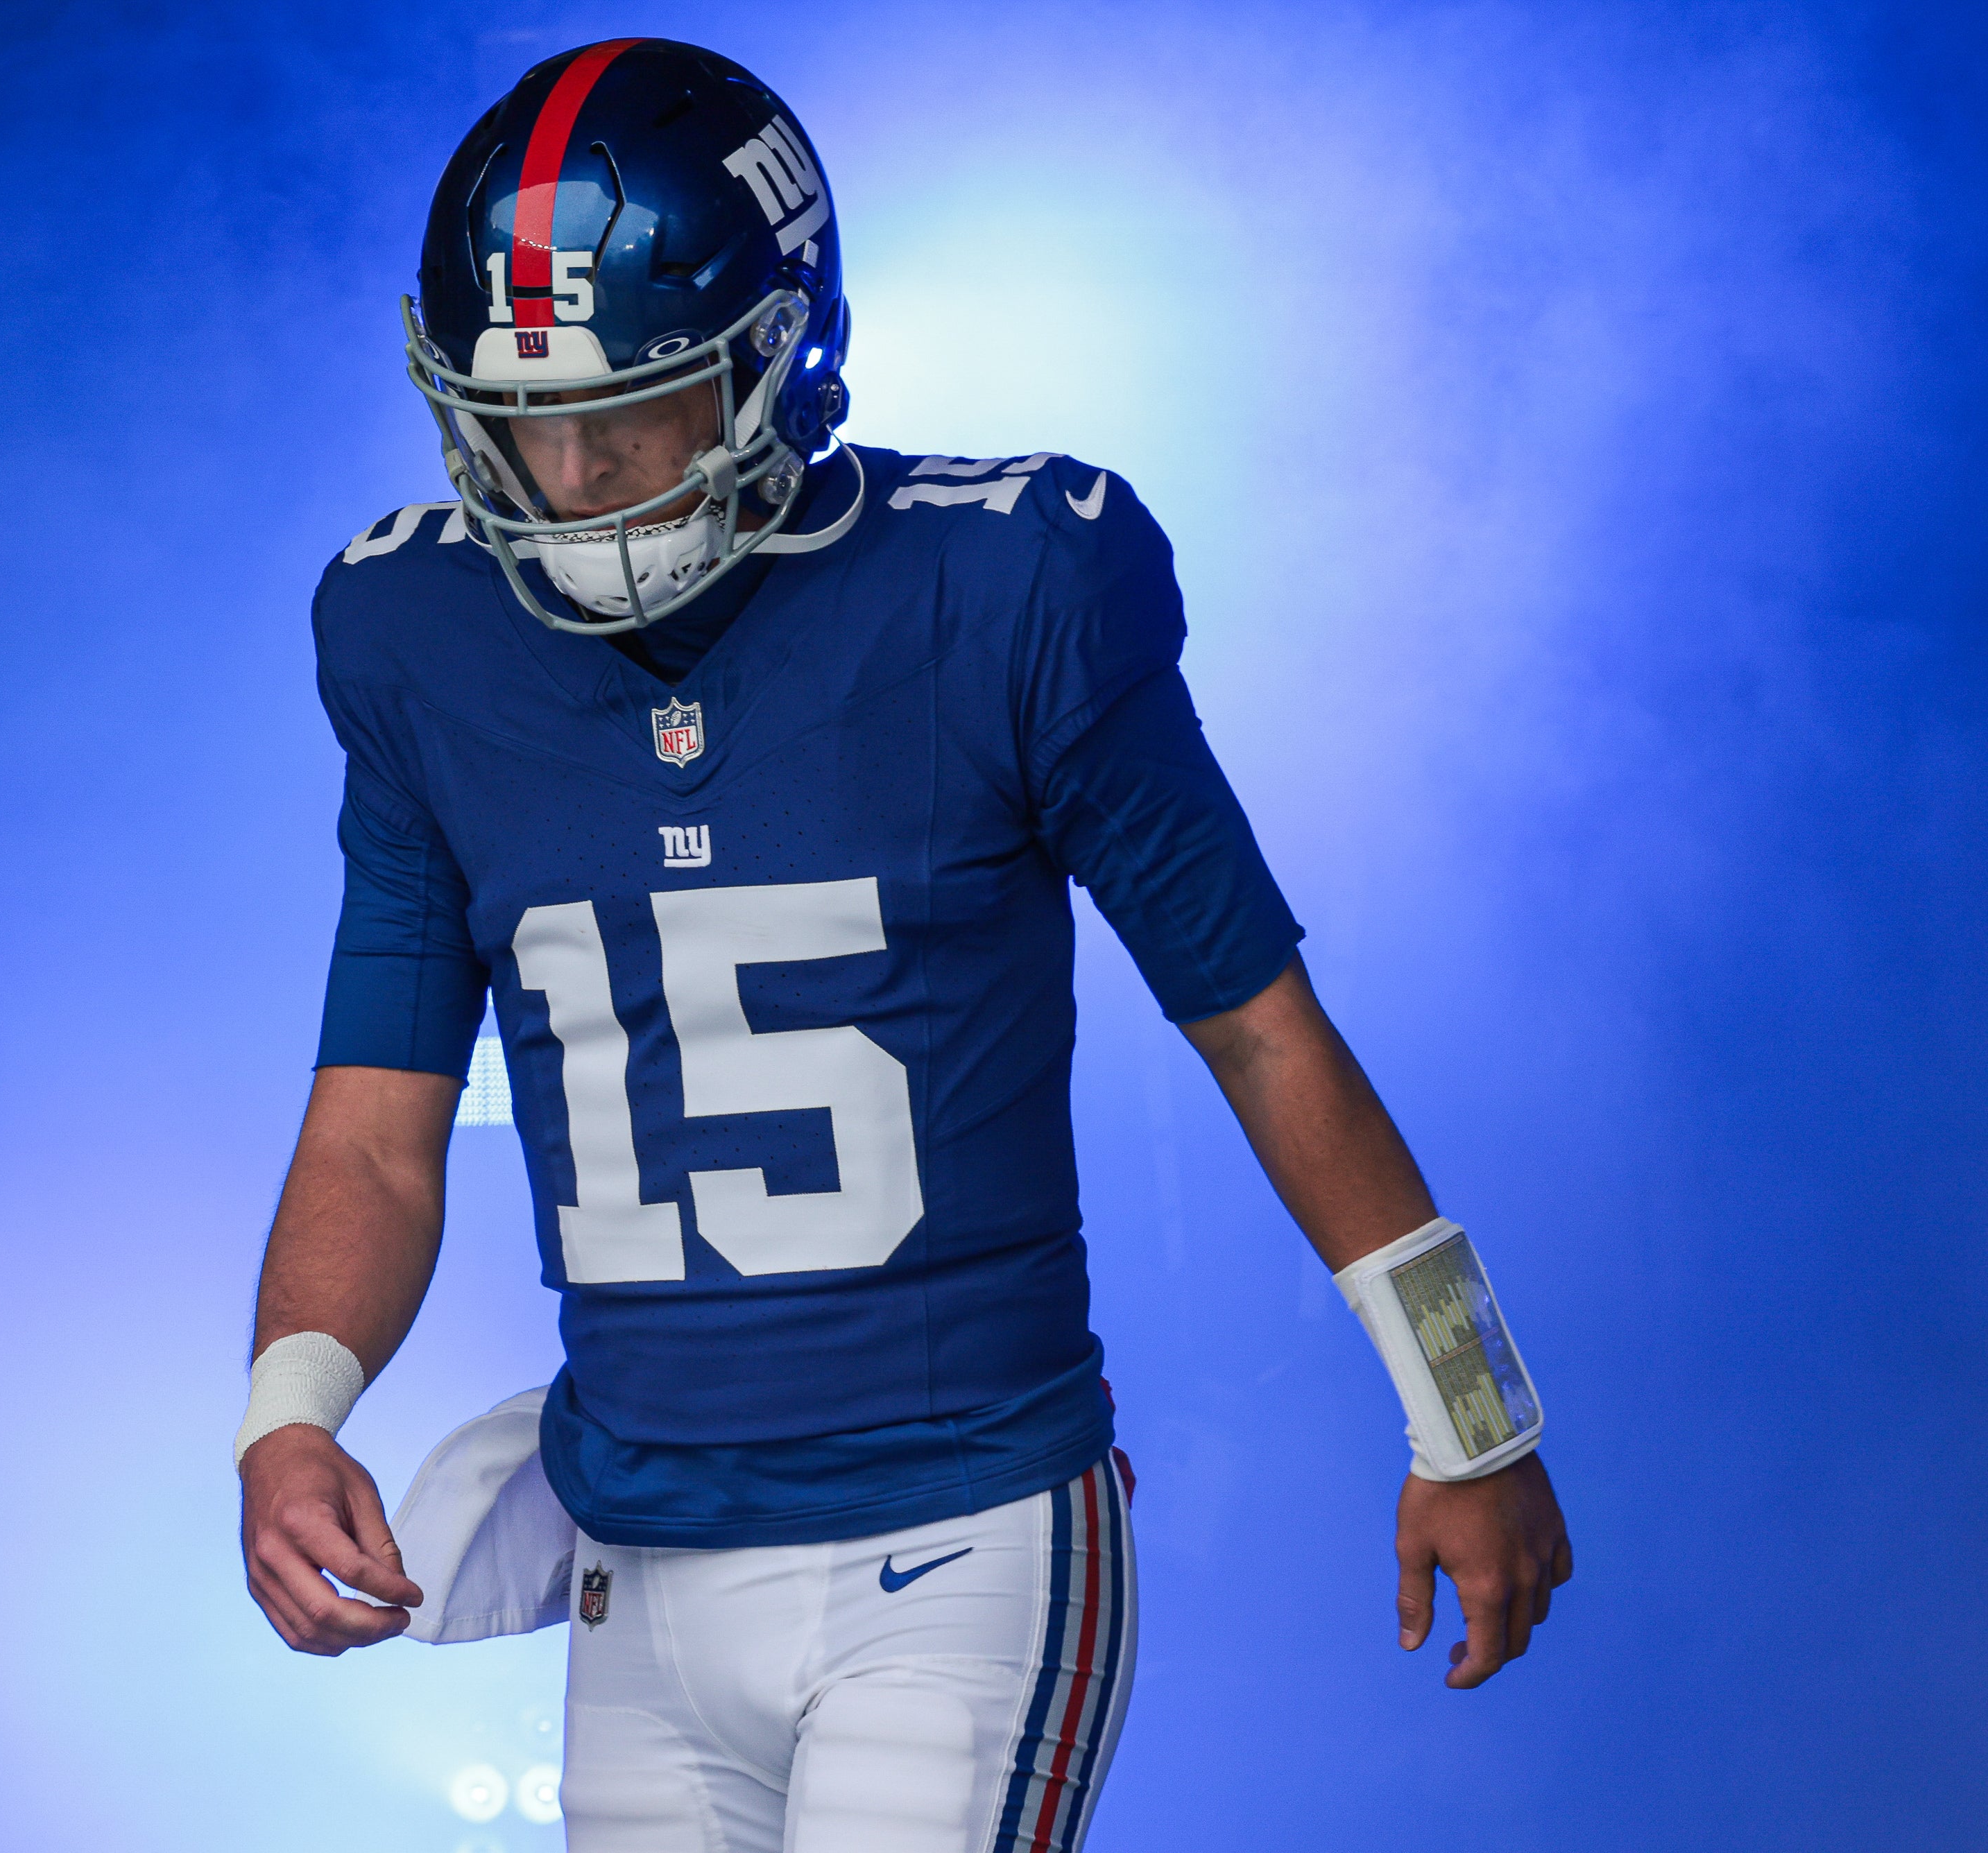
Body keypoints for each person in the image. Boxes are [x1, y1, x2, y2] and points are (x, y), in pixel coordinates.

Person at [234, 37, 1570, 1853]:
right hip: (642, 1559)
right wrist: (290, 1411)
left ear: (786, 356)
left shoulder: (1008, 585)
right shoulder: (418, 639)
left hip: (955, 1541)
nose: (571, 469)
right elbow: (379, 1126)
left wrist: (1469, 1420)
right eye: (522, 421)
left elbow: (1264, 1027)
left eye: (634, 406)